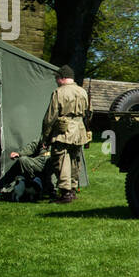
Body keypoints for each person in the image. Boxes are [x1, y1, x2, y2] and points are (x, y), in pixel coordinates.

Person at [42, 65, 91, 204]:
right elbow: (89, 113)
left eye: (57, 78)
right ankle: (73, 189)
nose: (56, 81)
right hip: (79, 129)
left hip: (64, 130)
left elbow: (50, 117)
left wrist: (45, 136)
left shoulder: (59, 92)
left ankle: (65, 192)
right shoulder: (83, 92)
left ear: (62, 78)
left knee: (61, 159)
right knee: (75, 159)